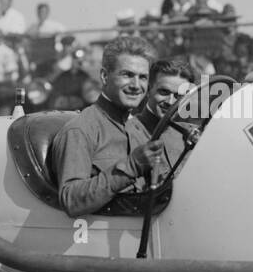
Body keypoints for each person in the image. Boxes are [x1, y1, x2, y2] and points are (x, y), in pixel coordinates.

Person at [49, 35, 167, 217]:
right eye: (127, 75)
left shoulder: (139, 130)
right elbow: (71, 200)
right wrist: (131, 167)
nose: (136, 85)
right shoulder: (81, 130)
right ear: (104, 76)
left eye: (143, 77)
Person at [137, 57, 197, 171]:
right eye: (164, 92)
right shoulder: (128, 131)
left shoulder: (189, 134)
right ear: (148, 90)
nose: (170, 102)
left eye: (179, 96)